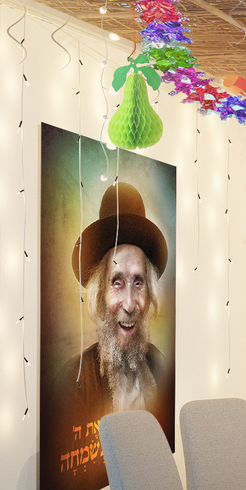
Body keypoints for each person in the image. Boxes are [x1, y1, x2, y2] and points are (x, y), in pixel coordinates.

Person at [65, 181, 174, 447]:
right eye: (117, 282)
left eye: (138, 282)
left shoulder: (162, 369)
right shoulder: (73, 384)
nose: (129, 304)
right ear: (99, 295)